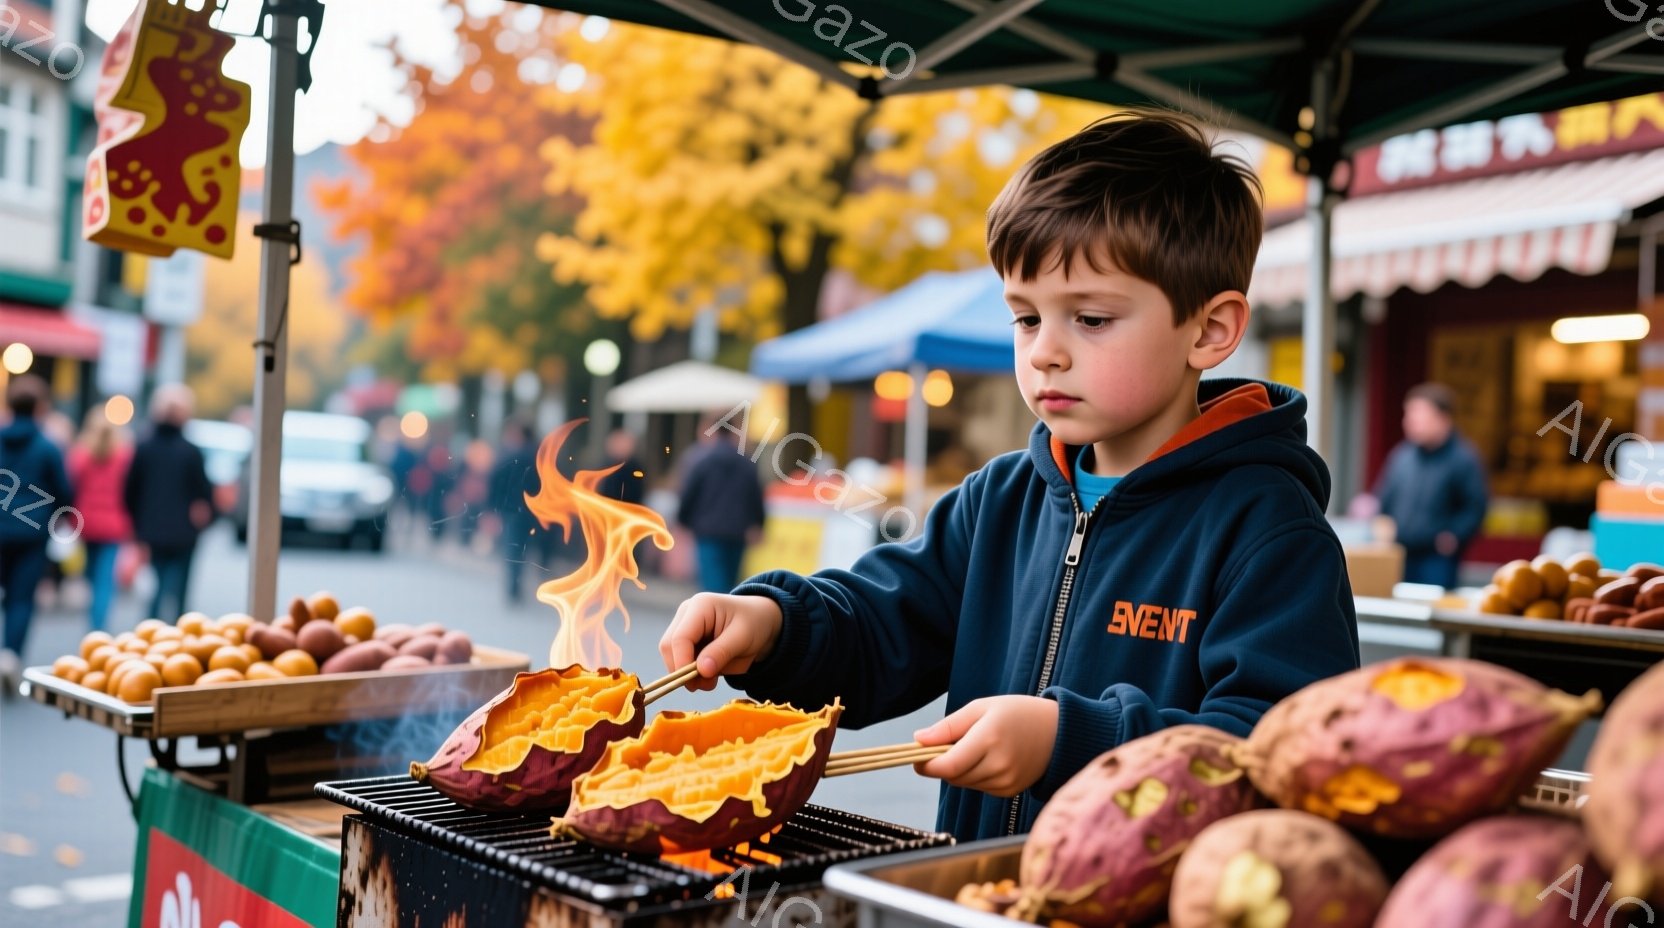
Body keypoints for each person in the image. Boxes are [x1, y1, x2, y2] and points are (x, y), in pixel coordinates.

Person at [658, 111, 1361, 842]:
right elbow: (881, 627)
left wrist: (1072, 741)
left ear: (1210, 330)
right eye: (1025, 319)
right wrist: (775, 626)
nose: (1046, 352)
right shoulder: (999, 499)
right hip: (979, 889)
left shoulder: (1269, 529)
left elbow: (1279, 754)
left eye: (1089, 318)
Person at [1370, 383, 1489, 589]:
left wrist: (1453, 537)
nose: (1410, 422)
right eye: (1408, 415)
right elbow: (1384, 499)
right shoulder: (1401, 456)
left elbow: (1475, 508)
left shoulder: (1463, 459)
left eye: (1419, 415)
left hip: (1437, 560)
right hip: (1398, 554)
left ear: (1443, 419)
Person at [0, 375, 74, 686]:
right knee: (21, 599)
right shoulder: (47, 447)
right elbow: (65, 492)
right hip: (32, 534)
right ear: (41, 407)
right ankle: (10, 656)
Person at [125, 385, 214, 620]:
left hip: (151, 530)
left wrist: (137, 527)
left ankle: (152, 634)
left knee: (155, 588)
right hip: (184, 532)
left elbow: (130, 491)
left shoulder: (143, 447)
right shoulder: (191, 451)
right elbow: (204, 494)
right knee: (179, 592)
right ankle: (178, 637)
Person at [675, 417, 766, 593]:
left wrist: (682, 521)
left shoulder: (702, 462)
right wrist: (759, 525)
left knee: (712, 583)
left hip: (708, 531)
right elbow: (756, 497)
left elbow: (689, 495)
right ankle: (726, 616)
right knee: (731, 582)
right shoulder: (746, 464)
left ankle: (716, 618)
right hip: (738, 532)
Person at [66, 406, 134, 632]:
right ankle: (98, 625)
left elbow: (70, 487)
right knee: (105, 578)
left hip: (85, 522)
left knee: (91, 573)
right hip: (114, 523)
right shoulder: (124, 455)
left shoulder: (80, 454)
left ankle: (93, 618)